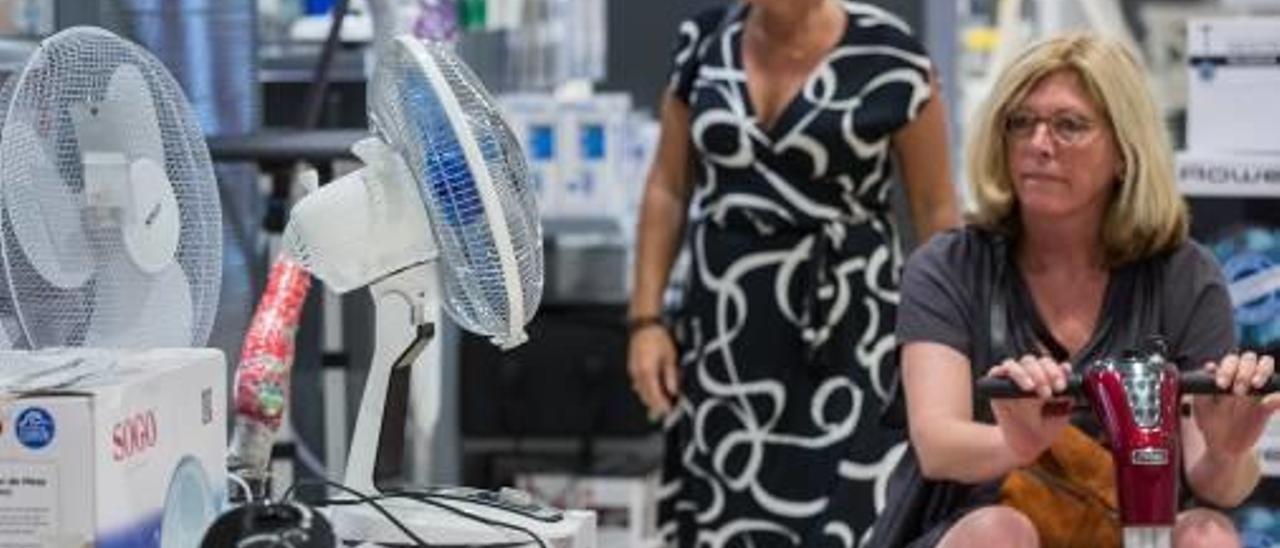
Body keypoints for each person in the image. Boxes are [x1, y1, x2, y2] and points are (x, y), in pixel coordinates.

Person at [892, 33, 1280, 547]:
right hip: (977, 521)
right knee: (999, 531)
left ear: (1125, 151)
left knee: (1209, 534)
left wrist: (1227, 450)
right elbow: (938, 443)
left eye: (1069, 126)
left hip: (1136, 526)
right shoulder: (949, 266)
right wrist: (1016, 442)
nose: (1038, 144)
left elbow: (1217, 484)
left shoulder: (1185, 274)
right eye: (1020, 123)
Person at [626, 0, 961, 545]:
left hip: (852, 333)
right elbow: (667, 186)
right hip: (724, 337)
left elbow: (937, 211)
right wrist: (646, 322)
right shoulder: (704, 40)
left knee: (849, 516)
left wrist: (947, 349)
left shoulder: (891, 54)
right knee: (722, 514)